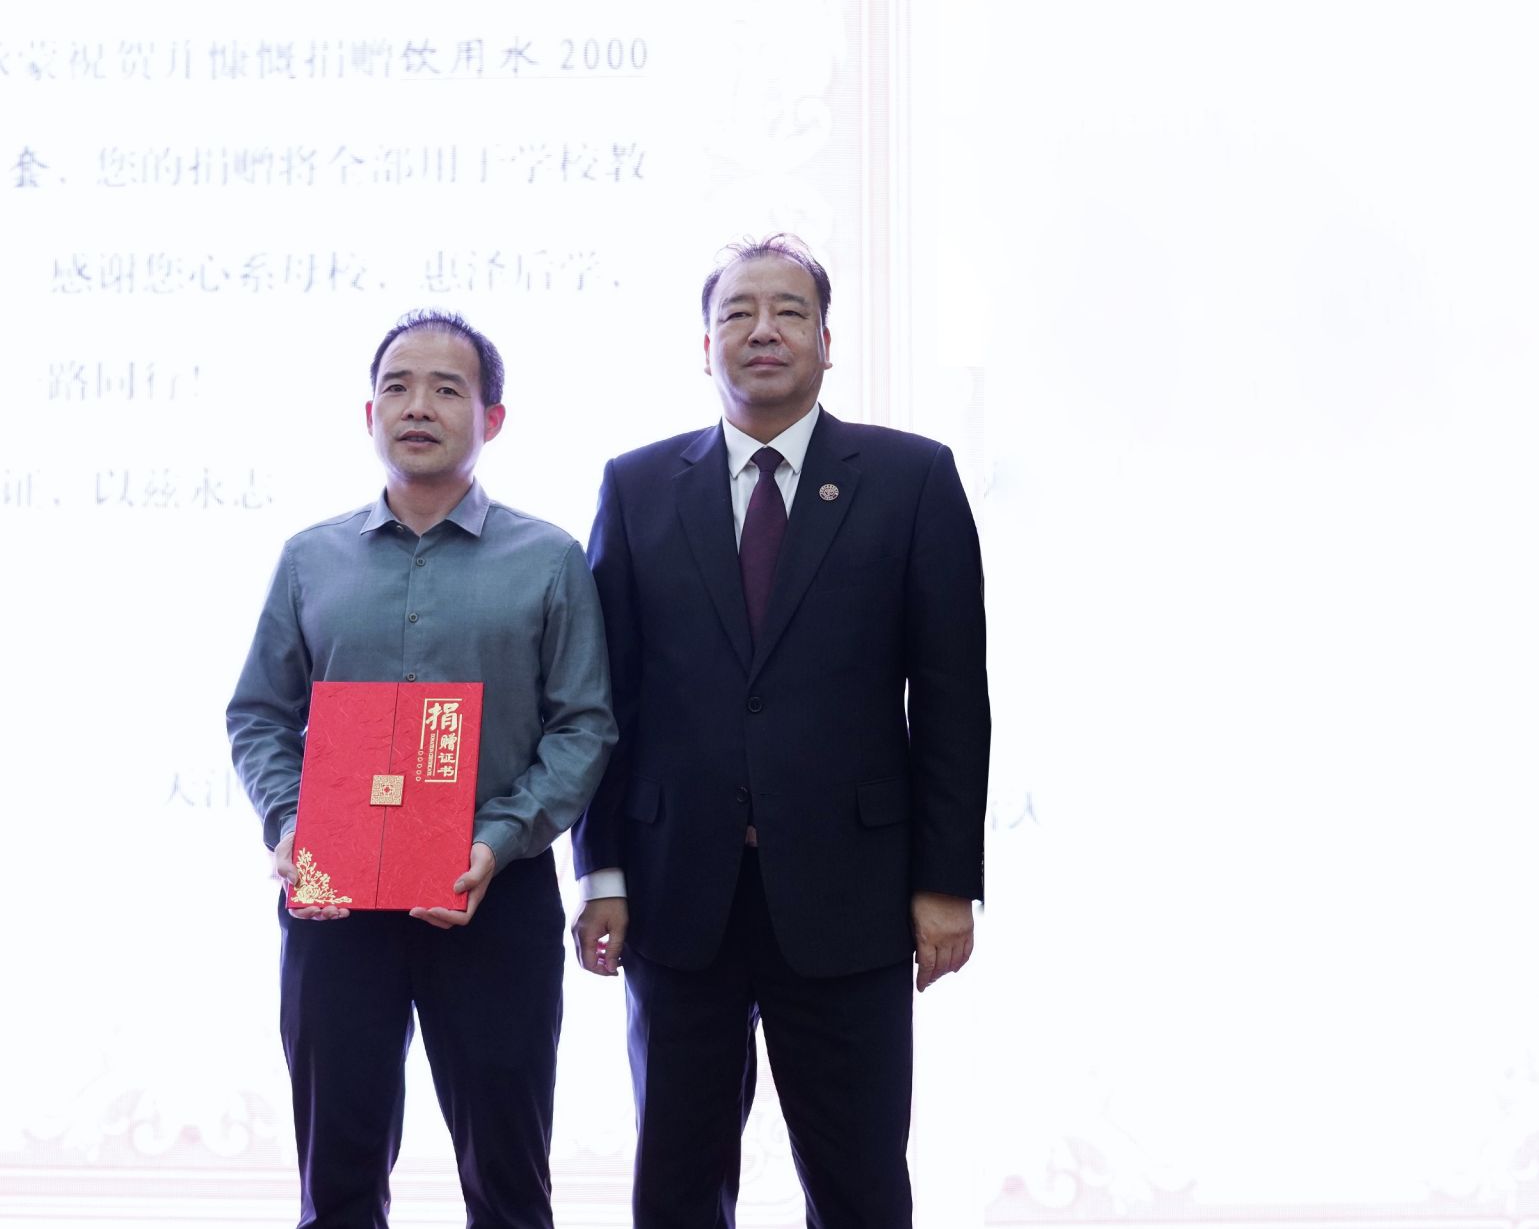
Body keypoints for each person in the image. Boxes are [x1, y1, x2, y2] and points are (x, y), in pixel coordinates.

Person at [570, 235, 990, 1227]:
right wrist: (601, 872)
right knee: (677, 1187)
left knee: (859, 1188)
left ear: (827, 342)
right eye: (737, 312)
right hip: (678, 896)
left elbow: (950, 697)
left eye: (789, 311)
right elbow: (604, 699)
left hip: (853, 896)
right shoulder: (636, 487)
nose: (762, 330)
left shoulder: (910, 477)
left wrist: (944, 882)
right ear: (704, 345)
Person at [228, 309, 616, 1229]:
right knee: (338, 1183)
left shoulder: (548, 558)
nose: (417, 406)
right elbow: (259, 714)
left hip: (493, 895)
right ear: (369, 414)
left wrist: (498, 838)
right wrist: (294, 825)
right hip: (335, 904)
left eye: (447, 388)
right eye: (397, 387)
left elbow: (584, 725)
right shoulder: (311, 557)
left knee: (509, 1182)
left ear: (492, 418)